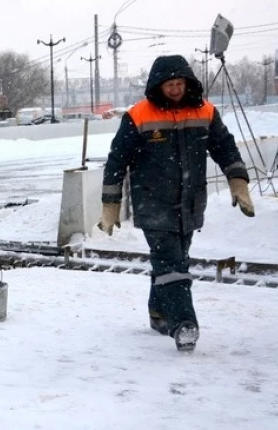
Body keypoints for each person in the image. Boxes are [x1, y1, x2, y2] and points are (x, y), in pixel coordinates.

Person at [100, 54, 254, 352]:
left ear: (187, 83)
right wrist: (110, 204)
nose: (174, 89)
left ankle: (159, 314)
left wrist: (238, 181)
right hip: (152, 204)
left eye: (179, 83)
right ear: (158, 85)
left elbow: (224, 146)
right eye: (169, 84)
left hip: (190, 203)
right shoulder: (139, 115)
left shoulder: (205, 111)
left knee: (173, 261)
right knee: (173, 263)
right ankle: (184, 323)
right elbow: (117, 160)